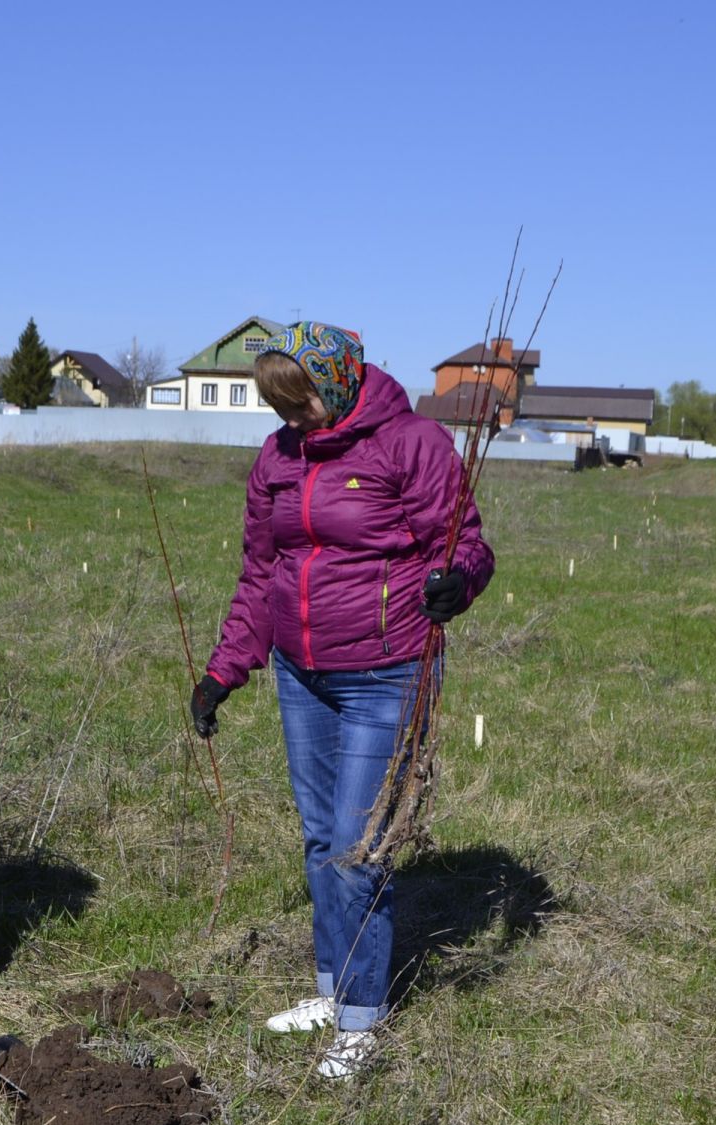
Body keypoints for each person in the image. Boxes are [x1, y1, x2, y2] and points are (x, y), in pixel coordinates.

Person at [187, 322, 493, 1080]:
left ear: (340, 380)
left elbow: (465, 545)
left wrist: (458, 580)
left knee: (361, 851)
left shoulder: (412, 443)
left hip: (386, 671)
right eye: (280, 408)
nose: (292, 421)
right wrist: (224, 671)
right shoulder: (277, 458)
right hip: (301, 674)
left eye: (302, 402)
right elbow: (262, 573)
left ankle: (361, 1023)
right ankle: (334, 988)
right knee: (322, 839)